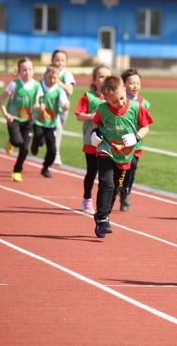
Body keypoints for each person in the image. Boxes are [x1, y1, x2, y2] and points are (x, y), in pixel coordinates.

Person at [90, 76, 153, 238]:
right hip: (106, 150)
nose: (120, 103)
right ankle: (103, 219)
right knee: (107, 183)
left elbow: (145, 127)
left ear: (124, 90)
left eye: (121, 98)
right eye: (115, 102)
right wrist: (95, 132)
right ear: (106, 100)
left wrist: (136, 137)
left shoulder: (136, 107)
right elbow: (96, 122)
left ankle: (103, 214)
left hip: (124, 155)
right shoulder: (102, 109)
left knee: (117, 187)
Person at [0, 57, 44, 182]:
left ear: (33, 71)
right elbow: (1, 99)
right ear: (19, 71)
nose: (27, 72)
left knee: (24, 148)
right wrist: (6, 114)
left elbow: (36, 103)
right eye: (24, 70)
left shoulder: (37, 85)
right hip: (14, 119)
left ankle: (16, 171)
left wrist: (40, 107)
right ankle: (11, 141)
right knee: (18, 142)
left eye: (29, 69)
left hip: (27, 121)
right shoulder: (14, 85)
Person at [74, 64, 112, 214]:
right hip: (92, 141)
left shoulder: (113, 97)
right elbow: (78, 116)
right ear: (94, 80)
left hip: (109, 142)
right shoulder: (88, 97)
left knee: (107, 175)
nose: (104, 80)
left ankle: (104, 203)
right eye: (101, 77)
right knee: (92, 171)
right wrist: (92, 116)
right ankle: (87, 199)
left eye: (107, 77)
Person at [118, 68, 151, 212]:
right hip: (118, 145)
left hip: (136, 145)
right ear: (124, 85)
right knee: (120, 171)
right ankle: (117, 189)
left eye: (138, 83)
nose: (135, 86)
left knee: (132, 169)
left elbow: (145, 124)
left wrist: (137, 137)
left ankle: (125, 192)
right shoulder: (119, 101)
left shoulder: (144, 103)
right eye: (131, 83)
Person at [30, 65, 70, 178]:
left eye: (54, 78)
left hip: (51, 123)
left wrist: (65, 106)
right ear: (45, 76)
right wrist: (38, 107)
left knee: (52, 149)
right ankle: (35, 144)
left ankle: (46, 167)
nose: (52, 80)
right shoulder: (39, 87)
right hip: (38, 121)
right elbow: (32, 101)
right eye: (49, 77)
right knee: (40, 140)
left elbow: (64, 103)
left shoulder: (59, 90)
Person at [50, 49, 76, 166]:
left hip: (63, 108)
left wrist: (57, 81)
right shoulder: (48, 73)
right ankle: (56, 154)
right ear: (52, 61)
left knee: (57, 130)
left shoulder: (67, 74)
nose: (59, 62)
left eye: (62, 60)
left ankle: (52, 149)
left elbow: (70, 90)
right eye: (57, 60)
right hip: (50, 107)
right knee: (58, 128)